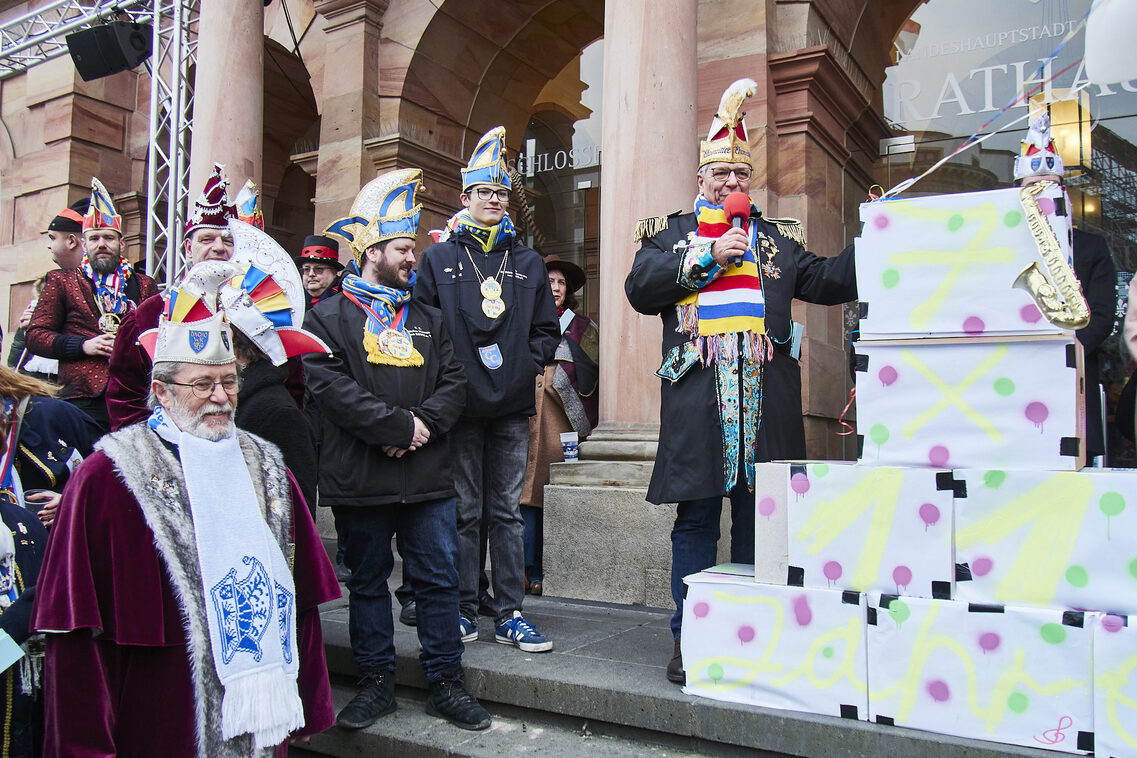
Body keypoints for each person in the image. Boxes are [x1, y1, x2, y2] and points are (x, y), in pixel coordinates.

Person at [31, 274, 339, 756]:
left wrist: (309, 700)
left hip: (259, 717)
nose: (220, 397)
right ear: (162, 390)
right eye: (202, 384)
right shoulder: (106, 476)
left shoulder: (267, 465)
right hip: (159, 712)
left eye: (229, 382)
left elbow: (300, 598)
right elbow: (74, 635)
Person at [624, 78, 857, 685]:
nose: (731, 185)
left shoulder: (777, 242)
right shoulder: (672, 236)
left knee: (760, 526)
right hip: (699, 405)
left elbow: (831, 282)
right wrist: (707, 258)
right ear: (701, 180)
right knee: (696, 523)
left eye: (740, 176)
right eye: (720, 175)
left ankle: (755, 636)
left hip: (766, 408)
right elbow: (640, 290)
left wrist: (875, 232)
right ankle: (690, 638)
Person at [305, 168, 492, 732]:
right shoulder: (327, 317)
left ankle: (445, 683)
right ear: (372, 251)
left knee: (439, 580)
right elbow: (328, 387)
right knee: (366, 583)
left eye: (413, 248)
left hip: (428, 476)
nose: (414, 259)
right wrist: (394, 429)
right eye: (404, 249)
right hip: (361, 477)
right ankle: (375, 684)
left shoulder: (430, 319)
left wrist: (418, 426)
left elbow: (455, 383)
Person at [413, 126, 560, 653]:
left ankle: (511, 612)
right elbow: (422, 328)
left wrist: (524, 365)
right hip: (459, 403)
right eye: (484, 192)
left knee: (505, 509)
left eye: (501, 193)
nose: (494, 200)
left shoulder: (527, 262)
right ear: (465, 198)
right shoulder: (437, 260)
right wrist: (447, 377)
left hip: (510, 404)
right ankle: (461, 607)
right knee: (464, 508)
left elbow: (548, 331)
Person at [106, 164, 304, 429]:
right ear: (189, 248)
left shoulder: (266, 310)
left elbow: (292, 386)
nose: (219, 247)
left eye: (228, 240)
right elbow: (125, 398)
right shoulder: (149, 314)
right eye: (207, 239)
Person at [1013, 110, 1118, 463]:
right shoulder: (1005, 247)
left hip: (1074, 375)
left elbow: (1102, 316)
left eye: (1048, 188)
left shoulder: (1091, 248)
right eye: (1032, 190)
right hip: (1015, 375)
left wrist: (1059, 348)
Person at [25, 179, 159, 432]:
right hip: (83, 397)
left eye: (109, 237)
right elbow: (35, 336)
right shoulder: (61, 281)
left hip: (136, 395)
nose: (101, 244)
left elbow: (156, 335)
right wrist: (83, 345)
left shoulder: (145, 286)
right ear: (84, 244)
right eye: (94, 238)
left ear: (122, 244)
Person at [519, 256, 599, 595]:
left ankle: (540, 572)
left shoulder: (582, 327)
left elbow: (592, 369)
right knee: (521, 497)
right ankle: (520, 571)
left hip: (559, 421)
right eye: (549, 281)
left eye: (561, 283)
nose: (555, 287)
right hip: (522, 417)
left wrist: (556, 364)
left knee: (548, 494)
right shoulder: (521, 319)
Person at [296, 234, 345, 308]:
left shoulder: (346, 300)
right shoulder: (292, 299)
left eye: (319, 269)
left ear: (334, 272)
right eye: (306, 269)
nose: (311, 274)